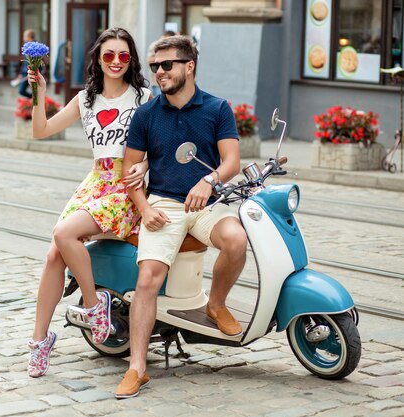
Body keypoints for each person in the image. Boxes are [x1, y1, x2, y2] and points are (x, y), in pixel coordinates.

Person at [117, 35, 247, 399]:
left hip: (207, 202)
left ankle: (215, 304)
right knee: (147, 280)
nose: (159, 72)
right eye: (155, 66)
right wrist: (144, 208)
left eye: (167, 65)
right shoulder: (146, 114)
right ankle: (137, 368)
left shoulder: (217, 108)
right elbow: (129, 172)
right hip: (165, 203)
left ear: (189, 66)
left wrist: (209, 181)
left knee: (237, 240)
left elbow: (231, 161)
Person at [26, 27, 152, 378]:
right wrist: (40, 94)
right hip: (96, 181)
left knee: (63, 234)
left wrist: (144, 164)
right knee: (55, 251)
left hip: (126, 186)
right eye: (108, 55)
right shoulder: (86, 99)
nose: (115, 62)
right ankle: (39, 341)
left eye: (123, 56)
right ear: (98, 58)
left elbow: (159, 142)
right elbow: (41, 131)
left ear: (131, 60)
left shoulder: (143, 96)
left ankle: (95, 307)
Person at [146, 31, 175, 97]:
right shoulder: (154, 46)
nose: (162, 43)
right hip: (156, 83)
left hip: (171, 82)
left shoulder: (174, 49)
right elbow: (149, 61)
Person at [17, 29, 35, 98]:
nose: (23, 38)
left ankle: (33, 100)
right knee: (22, 90)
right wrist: (21, 73)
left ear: (29, 36)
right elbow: (25, 62)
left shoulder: (34, 47)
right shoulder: (27, 46)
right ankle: (32, 100)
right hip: (25, 72)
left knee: (22, 90)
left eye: (24, 36)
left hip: (30, 73)